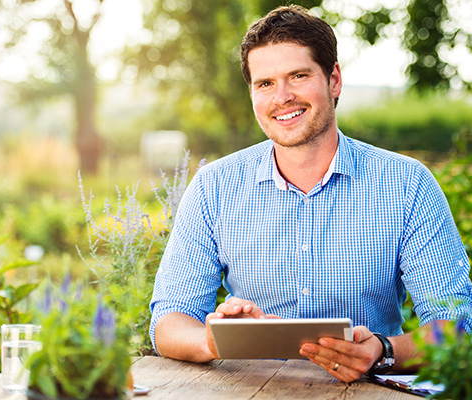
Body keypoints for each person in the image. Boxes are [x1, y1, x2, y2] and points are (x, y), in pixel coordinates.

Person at [149, 5, 472, 383]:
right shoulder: (213, 187)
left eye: (298, 76)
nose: (281, 97)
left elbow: (458, 326)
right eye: (265, 83)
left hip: (366, 391)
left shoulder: (407, 185)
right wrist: (215, 341)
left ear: (333, 80)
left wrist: (382, 351)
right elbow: (169, 318)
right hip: (250, 390)